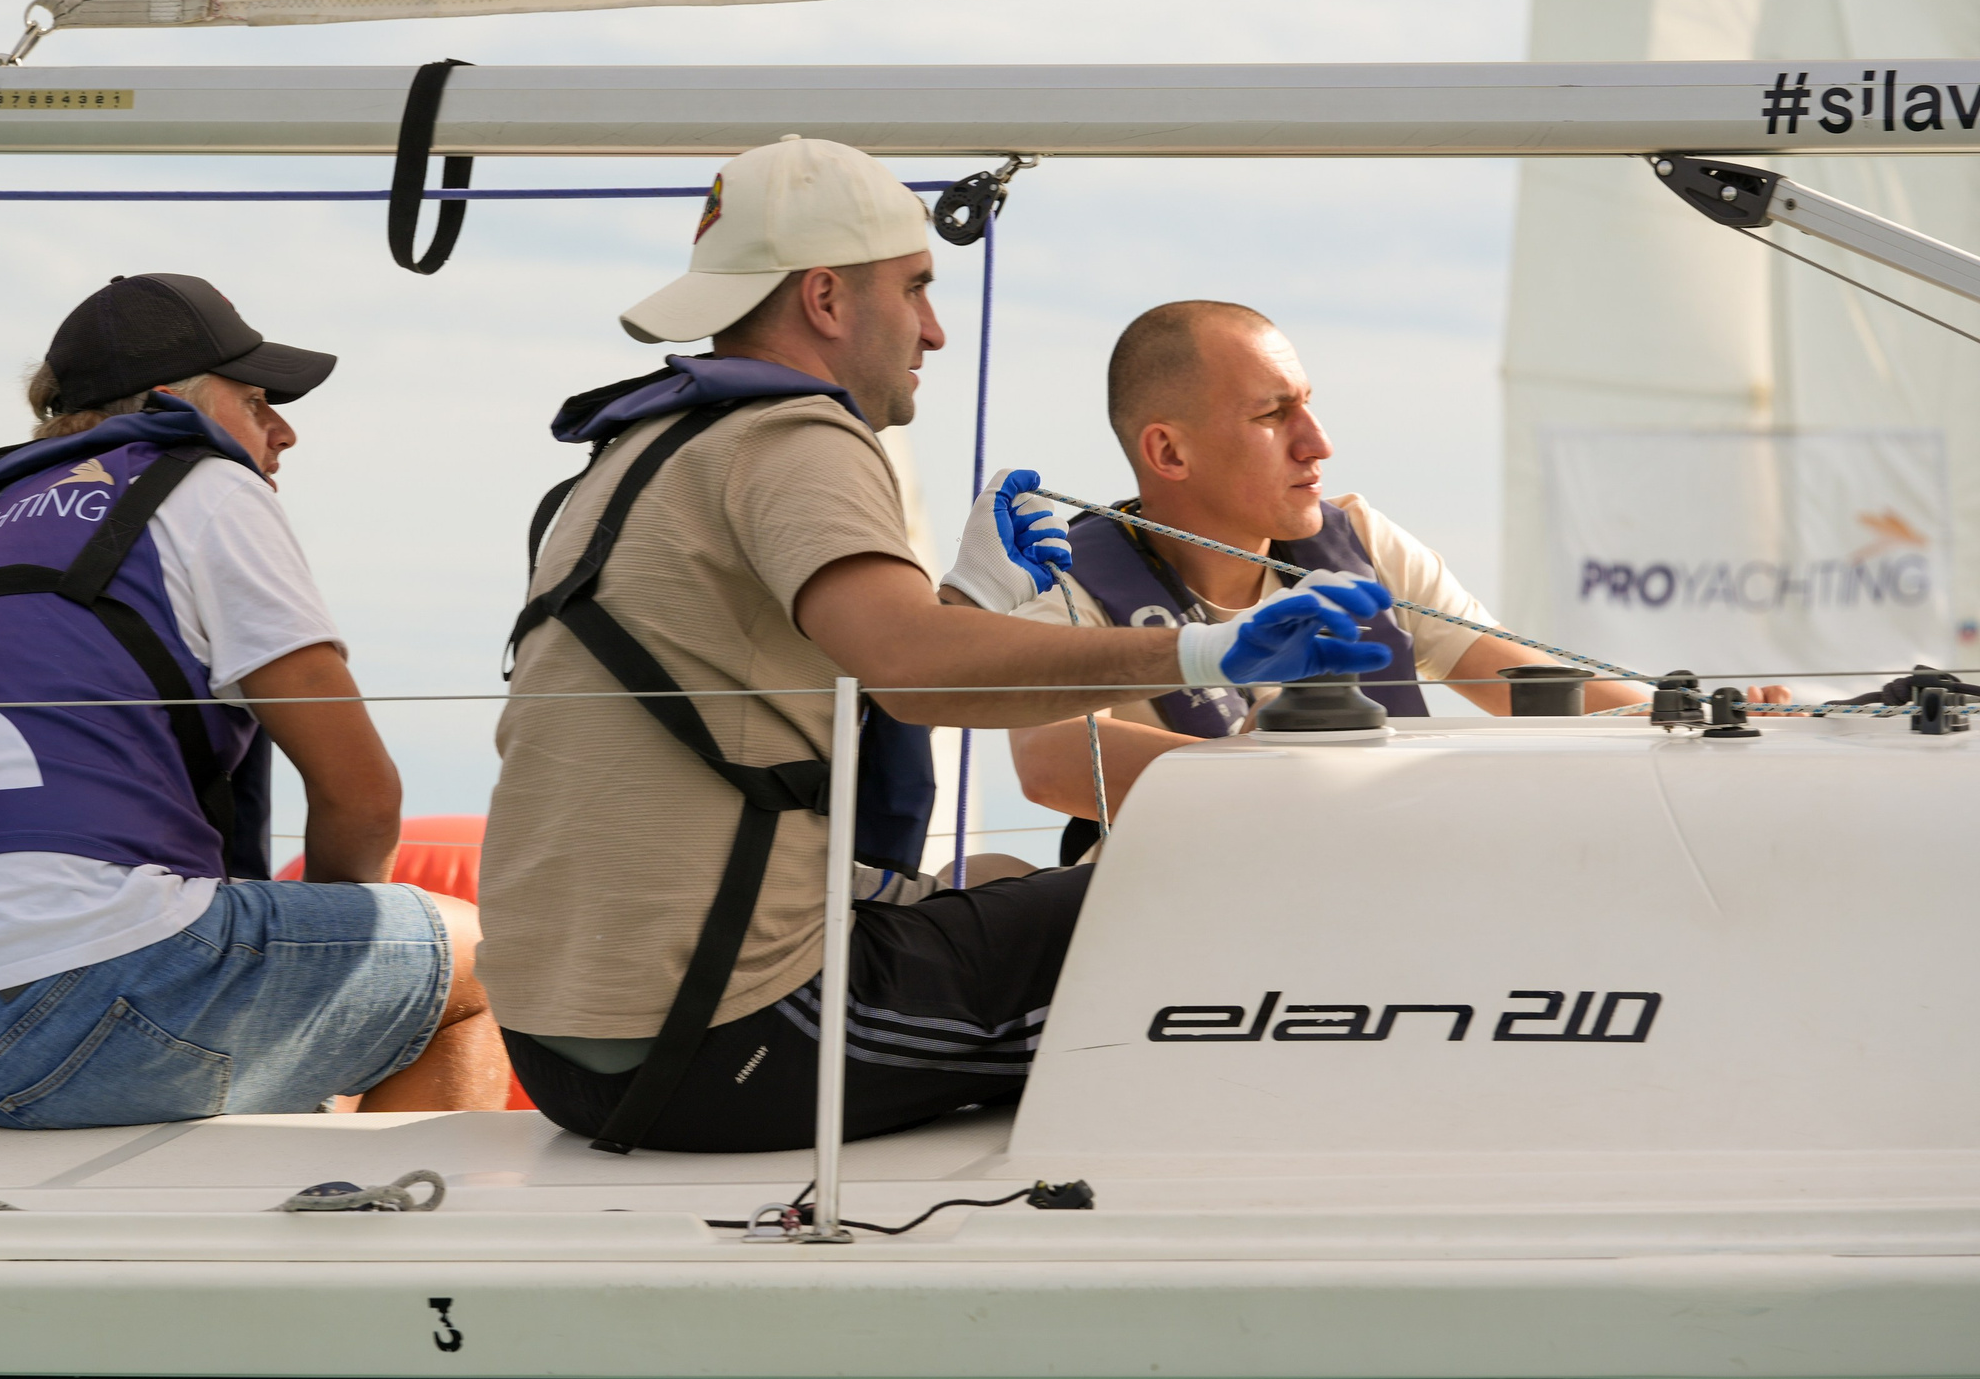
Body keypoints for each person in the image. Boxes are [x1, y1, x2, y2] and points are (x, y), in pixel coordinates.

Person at [481, 138, 1393, 1155]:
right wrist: (1205, 656)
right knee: (1230, 910)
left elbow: (790, 686)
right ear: (825, 300)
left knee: (1002, 877)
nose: (936, 330)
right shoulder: (792, 435)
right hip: (724, 1037)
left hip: (568, 1041)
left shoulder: (649, 443)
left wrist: (965, 597)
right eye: (913, 289)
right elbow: (910, 672)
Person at [0, 274, 507, 1126]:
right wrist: (324, 968)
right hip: (96, 986)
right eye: (257, 401)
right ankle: (373, 1249)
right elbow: (362, 795)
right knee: (487, 966)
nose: (283, 430)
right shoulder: (207, 489)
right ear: (174, 401)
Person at [1007, 300, 1787, 840]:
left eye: (1307, 405)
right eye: (1272, 415)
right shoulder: (1060, 577)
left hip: (1397, 883)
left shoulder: (1363, 543)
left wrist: (1695, 721)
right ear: (1168, 451)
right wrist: (1282, 774)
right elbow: (1050, 762)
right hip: (1194, 918)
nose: (1318, 442)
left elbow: (1528, 684)